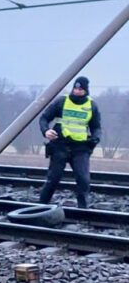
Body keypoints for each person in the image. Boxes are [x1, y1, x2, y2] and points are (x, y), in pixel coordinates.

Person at [39, 76, 101, 208]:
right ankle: (40, 206)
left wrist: (96, 137)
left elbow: (96, 127)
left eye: (80, 89)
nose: (77, 91)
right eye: (76, 88)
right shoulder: (62, 101)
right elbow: (44, 118)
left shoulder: (91, 105)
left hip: (80, 148)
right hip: (60, 145)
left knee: (83, 180)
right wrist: (46, 131)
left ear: (86, 90)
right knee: (53, 179)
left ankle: (82, 210)